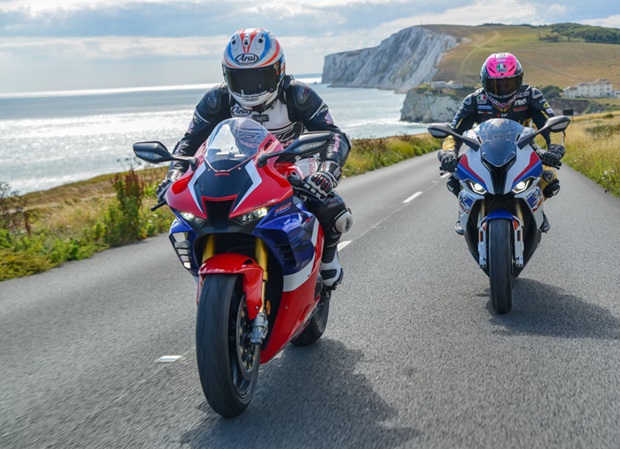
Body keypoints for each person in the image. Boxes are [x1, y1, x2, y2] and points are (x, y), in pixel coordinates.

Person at [156, 28, 352, 288]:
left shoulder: (299, 95)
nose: (251, 88)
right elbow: (189, 141)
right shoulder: (217, 99)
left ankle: (327, 261)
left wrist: (327, 171)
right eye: (242, 79)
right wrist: (173, 176)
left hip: (294, 164)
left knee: (331, 210)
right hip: (243, 165)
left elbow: (334, 134)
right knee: (198, 216)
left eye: (259, 77)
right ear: (227, 76)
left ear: (278, 71)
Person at [437, 52, 565, 234]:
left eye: (508, 83)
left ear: (519, 80)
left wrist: (555, 149)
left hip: (524, 150)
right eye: (496, 85)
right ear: (484, 82)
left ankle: (537, 209)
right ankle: (464, 212)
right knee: (455, 179)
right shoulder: (474, 100)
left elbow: (551, 126)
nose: (503, 89)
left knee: (550, 179)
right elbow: (453, 132)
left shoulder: (531, 95)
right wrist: (449, 153)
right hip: (481, 153)